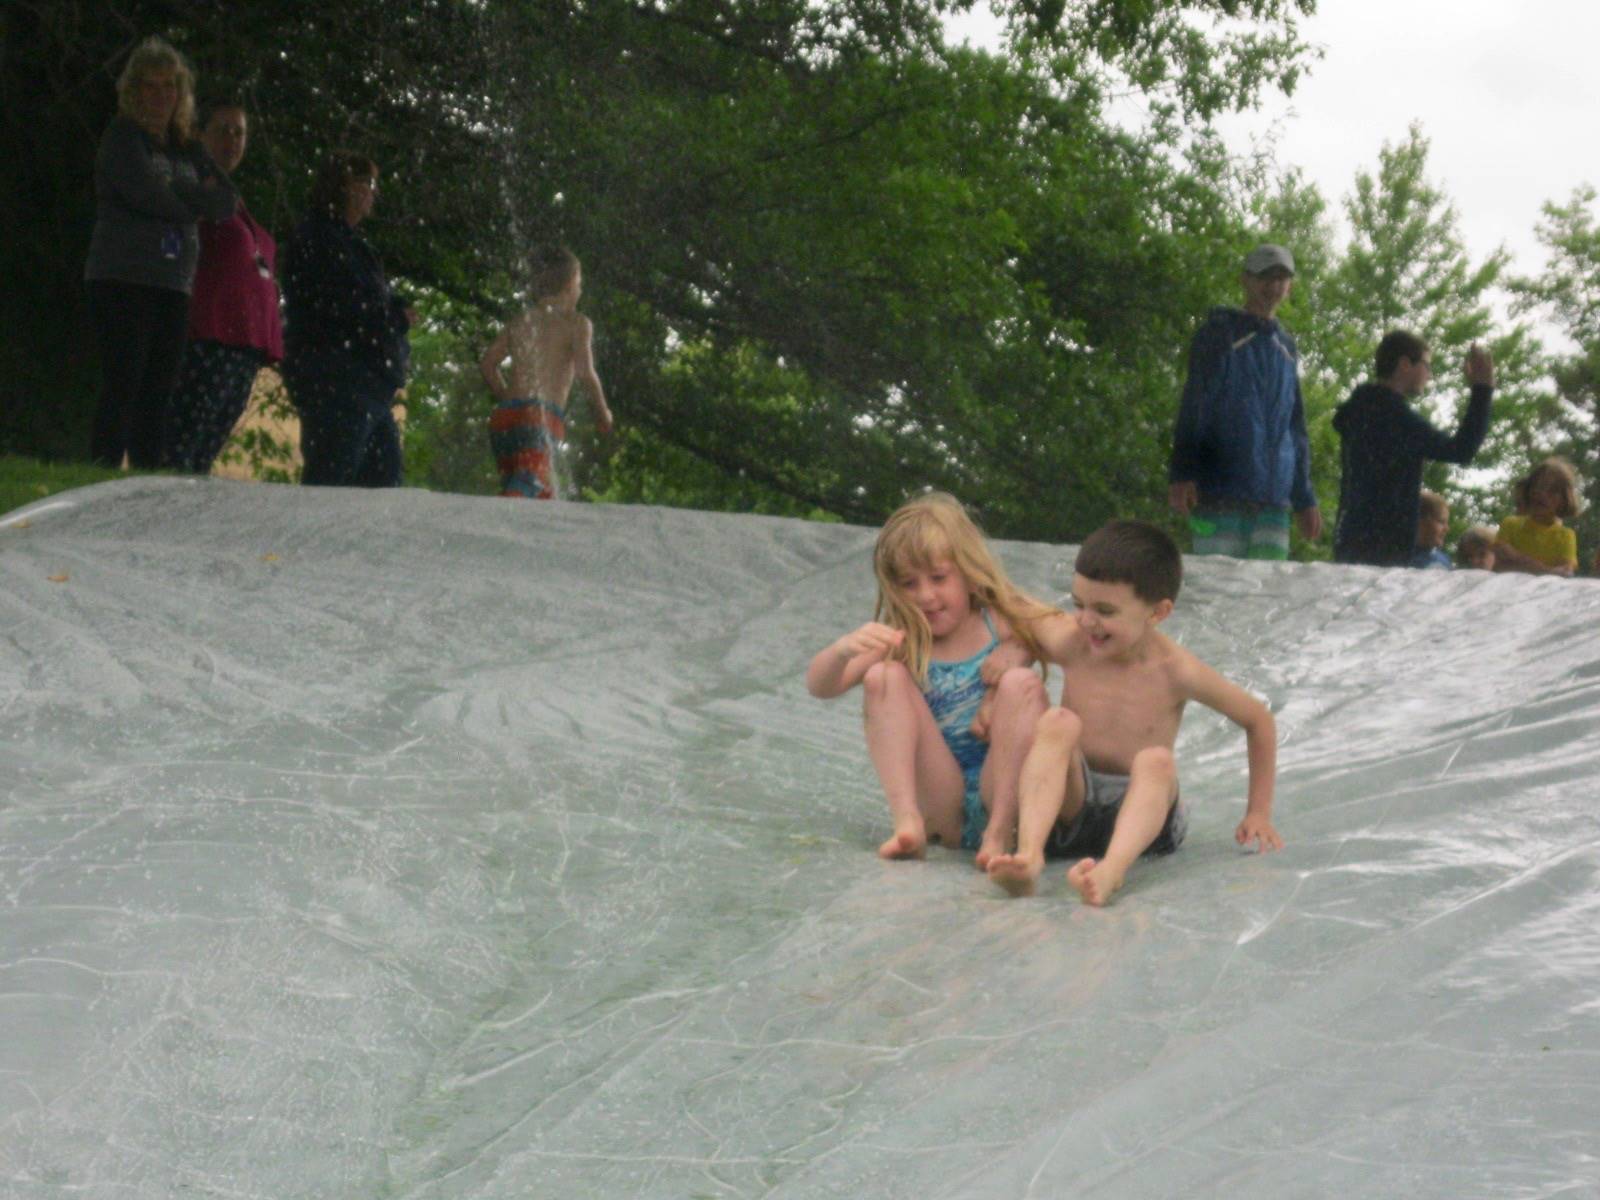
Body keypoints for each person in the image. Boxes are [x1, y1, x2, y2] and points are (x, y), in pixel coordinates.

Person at [986, 520, 1280, 906]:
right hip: (1075, 802)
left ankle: (1112, 871)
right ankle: (1029, 856)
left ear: (1158, 612)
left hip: (1145, 818)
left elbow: (1258, 720)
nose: (1086, 620)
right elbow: (1008, 603)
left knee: (1157, 760)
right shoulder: (1074, 641)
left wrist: (1258, 811)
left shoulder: (1177, 670)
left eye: (1105, 610)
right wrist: (1016, 648)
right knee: (1058, 722)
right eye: (1078, 604)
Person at [805, 493, 1059, 864]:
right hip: (944, 801)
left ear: (970, 573)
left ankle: (999, 832)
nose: (925, 595)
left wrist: (1021, 649)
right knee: (882, 676)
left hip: (1002, 787)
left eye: (939, 578)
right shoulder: (903, 639)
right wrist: (842, 649)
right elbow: (821, 686)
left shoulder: (1000, 621)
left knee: (1022, 686)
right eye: (909, 584)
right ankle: (908, 821)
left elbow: (1065, 636)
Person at [84, 36, 237, 470]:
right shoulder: (121, 138)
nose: (161, 96)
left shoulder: (188, 147)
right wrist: (191, 198)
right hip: (122, 277)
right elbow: (147, 196)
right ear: (134, 91)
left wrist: (178, 192)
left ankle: (147, 483)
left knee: (159, 388)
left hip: (174, 283)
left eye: (169, 86)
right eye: (151, 86)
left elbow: (225, 201)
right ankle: (101, 472)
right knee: (124, 382)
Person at [1169, 243, 1321, 560]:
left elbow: (1295, 426)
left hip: (1274, 500)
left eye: (1282, 278)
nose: (1274, 286)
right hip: (1219, 491)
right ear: (1246, 280)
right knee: (1216, 589)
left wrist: (1304, 498)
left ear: (1290, 286)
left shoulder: (1287, 347)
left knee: (1265, 594)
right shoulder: (1218, 334)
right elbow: (1195, 404)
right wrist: (1183, 473)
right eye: (1266, 277)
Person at [163, 102, 284, 474]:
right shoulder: (192, 182)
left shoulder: (232, 197)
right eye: (223, 129)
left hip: (244, 344)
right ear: (201, 134)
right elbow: (170, 243)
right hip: (208, 336)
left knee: (202, 451)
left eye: (239, 132)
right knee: (181, 447)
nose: (232, 140)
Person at [280, 150, 411, 487]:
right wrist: (394, 317)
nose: (372, 193)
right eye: (366, 182)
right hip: (338, 380)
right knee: (333, 479)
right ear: (344, 186)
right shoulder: (319, 238)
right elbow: (341, 306)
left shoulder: (351, 245)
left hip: (368, 384)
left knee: (382, 482)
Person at [1332, 332, 1495, 567]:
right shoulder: (1395, 418)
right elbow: (1461, 450)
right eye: (1427, 366)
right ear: (1405, 364)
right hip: (1384, 544)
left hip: (1350, 534)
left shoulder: (1359, 410)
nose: (1429, 375)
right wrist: (1482, 390)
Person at [480, 246, 613, 499]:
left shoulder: (521, 320)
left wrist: (507, 399)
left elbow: (488, 364)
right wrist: (602, 413)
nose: (581, 291)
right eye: (580, 284)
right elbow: (586, 374)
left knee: (534, 490)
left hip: (504, 420)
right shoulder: (576, 323)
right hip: (539, 419)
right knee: (528, 486)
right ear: (569, 286)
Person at [1493, 457, 1580, 576]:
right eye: (1537, 486)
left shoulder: (1565, 536)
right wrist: (1548, 570)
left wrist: (1516, 558)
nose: (1542, 494)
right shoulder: (1510, 524)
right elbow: (1500, 566)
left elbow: (1565, 573)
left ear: (1565, 499)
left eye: (1552, 491)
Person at [1412, 491, 1453, 569]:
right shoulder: (1400, 558)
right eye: (1441, 522)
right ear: (1421, 522)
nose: (1447, 529)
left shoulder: (1445, 560)